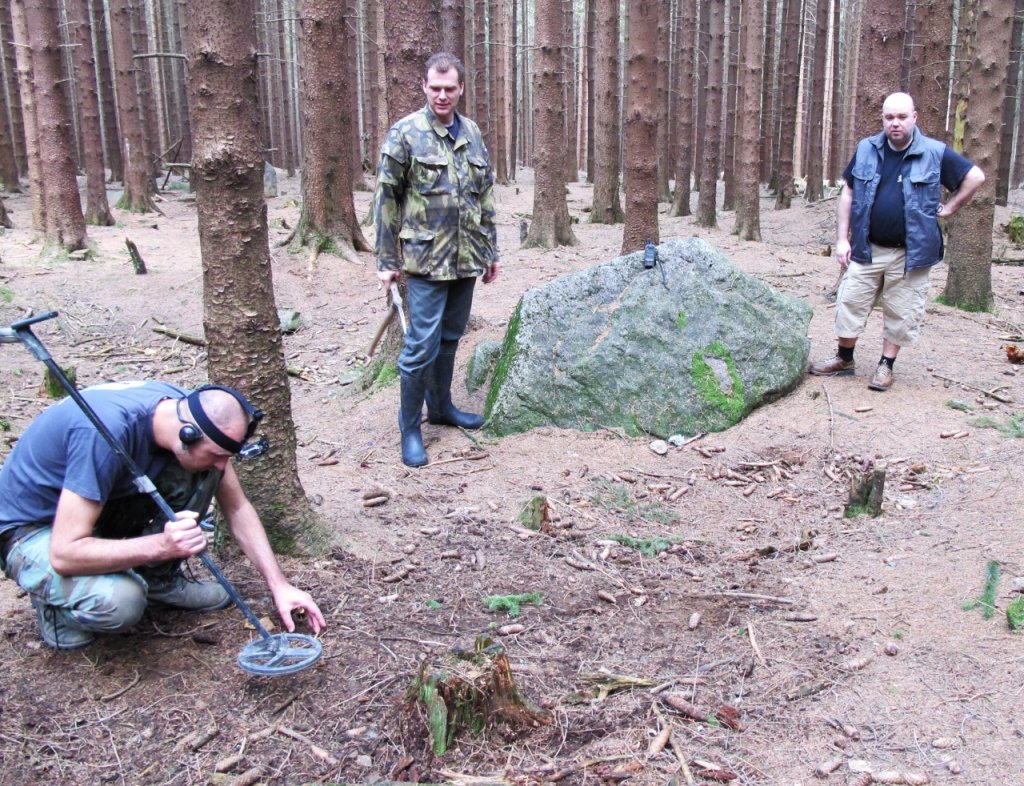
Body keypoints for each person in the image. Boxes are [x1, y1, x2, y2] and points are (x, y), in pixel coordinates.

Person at [0, 381, 325, 651]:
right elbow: (65, 553)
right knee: (122, 602)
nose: (223, 466)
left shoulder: (183, 408)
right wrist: (161, 545)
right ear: (187, 434)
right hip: (32, 530)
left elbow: (237, 507)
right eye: (217, 455)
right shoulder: (103, 434)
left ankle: (156, 580)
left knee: (205, 473)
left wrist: (279, 585)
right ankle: (56, 609)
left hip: (97, 509)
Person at [374, 52, 501, 467]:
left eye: (450, 88)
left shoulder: (473, 133)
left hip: (465, 260)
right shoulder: (406, 133)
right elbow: (386, 199)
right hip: (425, 261)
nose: (442, 95)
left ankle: (442, 409)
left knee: (450, 338)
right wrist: (385, 258)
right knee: (420, 347)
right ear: (424, 87)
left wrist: (491, 251)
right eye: (435, 88)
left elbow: (484, 196)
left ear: (461, 88)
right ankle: (409, 428)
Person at [809, 92, 985, 391]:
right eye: (889, 117)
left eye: (902, 117)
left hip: (911, 254)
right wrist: (842, 239)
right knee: (850, 301)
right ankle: (844, 358)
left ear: (915, 117)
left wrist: (951, 207)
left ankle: (885, 365)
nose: (895, 123)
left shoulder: (935, 152)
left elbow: (976, 176)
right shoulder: (866, 148)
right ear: (883, 119)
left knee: (901, 311)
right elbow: (849, 193)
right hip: (867, 248)